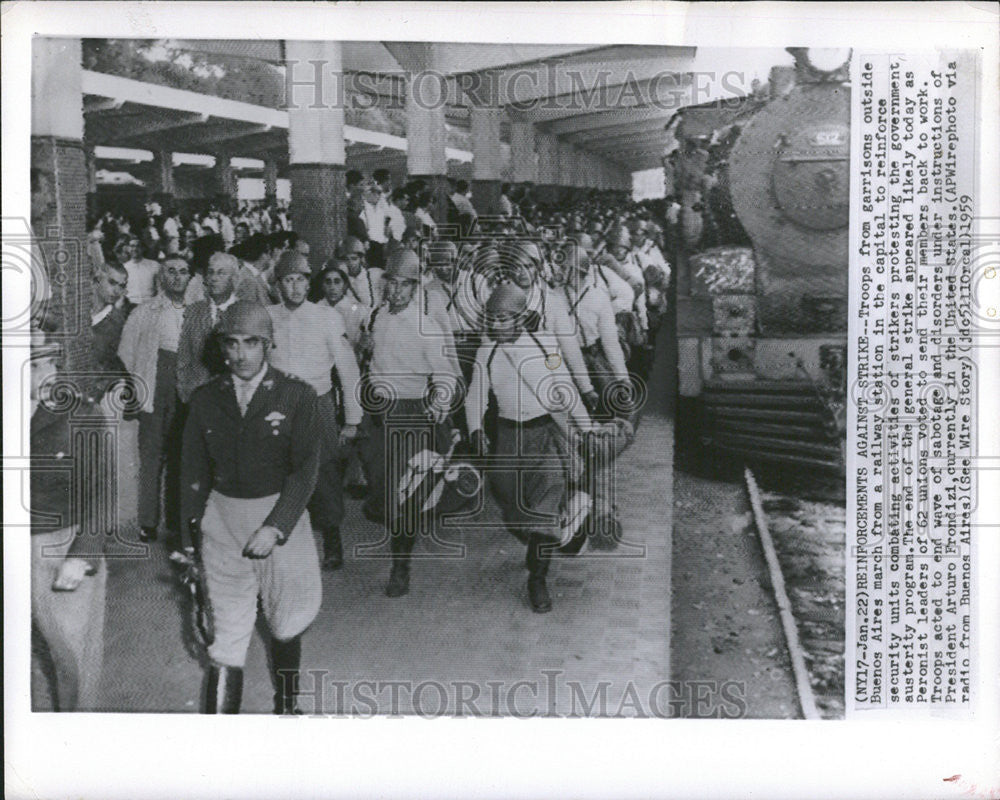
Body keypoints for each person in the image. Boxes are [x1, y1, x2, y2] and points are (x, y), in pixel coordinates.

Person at [181, 301, 322, 715]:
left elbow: (305, 471)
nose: (239, 354)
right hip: (222, 523)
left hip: (281, 522)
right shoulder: (206, 399)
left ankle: (288, 708)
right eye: (231, 343)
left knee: (286, 621)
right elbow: (191, 474)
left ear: (268, 344)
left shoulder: (297, 396)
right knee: (225, 639)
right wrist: (190, 543)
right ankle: (220, 749)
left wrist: (276, 526)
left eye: (251, 343)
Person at [465, 282, 592, 613]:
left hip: (545, 435)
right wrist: (476, 428)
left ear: (521, 318)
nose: (495, 325)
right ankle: (545, 540)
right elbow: (476, 393)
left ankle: (538, 578)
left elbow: (565, 388)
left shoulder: (545, 343)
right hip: (508, 437)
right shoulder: (486, 350)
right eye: (491, 318)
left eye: (503, 318)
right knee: (510, 502)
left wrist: (588, 427)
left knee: (543, 508)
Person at [359, 247, 458, 597]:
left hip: (410, 414)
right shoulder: (376, 315)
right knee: (383, 489)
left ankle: (401, 566)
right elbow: (371, 360)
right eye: (392, 284)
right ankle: (400, 543)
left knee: (405, 494)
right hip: (376, 415)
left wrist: (439, 399)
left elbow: (444, 374)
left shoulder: (425, 325)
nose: (396, 291)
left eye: (404, 285)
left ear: (416, 288)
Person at [267, 251, 363, 570]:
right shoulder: (267, 317)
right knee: (282, 472)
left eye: (301, 280)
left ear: (310, 284)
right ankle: (286, 538)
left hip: (317, 403)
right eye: (288, 281)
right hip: (279, 406)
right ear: (278, 285)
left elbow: (348, 369)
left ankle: (333, 538)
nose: (294, 287)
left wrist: (352, 419)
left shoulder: (326, 317)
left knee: (324, 474)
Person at [29, 330, 107, 710]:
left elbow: (103, 489)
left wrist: (83, 553)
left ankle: (74, 740)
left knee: (71, 654)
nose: (46, 375)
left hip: (60, 544)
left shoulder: (80, 413)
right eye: (32, 365)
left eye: (49, 363)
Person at [118, 258, 192, 547]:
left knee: (181, 456)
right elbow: (126, 352)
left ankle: (176, 520)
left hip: (185, 388)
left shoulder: (197, 311)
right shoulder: (145, 312)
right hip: (154, 386)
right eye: (171, 271)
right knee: (151, 456)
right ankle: (148, 522)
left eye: (183, 272)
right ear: (161, 277)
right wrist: (136, 387)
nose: (177, 277)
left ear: (190, 277)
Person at [176, 251, 239, 403]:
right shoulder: (192, 311)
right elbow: (183, 357)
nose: (214, 278)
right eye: (210, 273)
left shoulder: (245, 312)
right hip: (196, 398)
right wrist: (185, 392)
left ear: (234, 279)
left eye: (221, 273)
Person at [90, 262, 130, 376]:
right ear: (97, 280)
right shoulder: (76, 311)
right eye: (112, 283)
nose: (117, 291)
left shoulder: (120, 321)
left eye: (121, 286)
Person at [340, 235, 384, 308]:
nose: (350, 263)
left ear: (361, 259)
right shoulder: (341, 281)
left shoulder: (375, 274)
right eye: (346, 259)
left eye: (354, 259)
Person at [122, 236, 159, 307]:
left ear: (143, 248)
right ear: (128, 249)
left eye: (138, 246)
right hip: (131, 306)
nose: (135, 249)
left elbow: (161, 288)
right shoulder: (124, 268)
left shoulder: (154, 265)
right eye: (132, 246)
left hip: (150, 305)